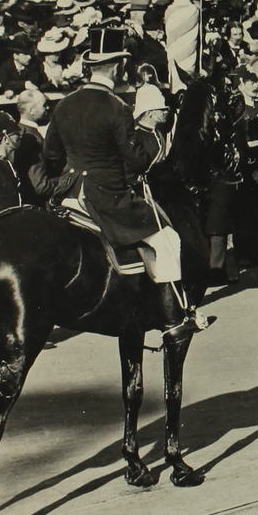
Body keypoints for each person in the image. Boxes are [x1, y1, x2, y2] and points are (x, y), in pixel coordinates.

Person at [39, 26, 210, 340]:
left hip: (70, 197)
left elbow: (50, 158)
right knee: (167, 240)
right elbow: (135, 161)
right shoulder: (116, 108)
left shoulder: (64, 105)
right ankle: (174, 321)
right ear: (118, 67)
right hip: (107, 198)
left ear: (91, 66)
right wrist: (151, 133)